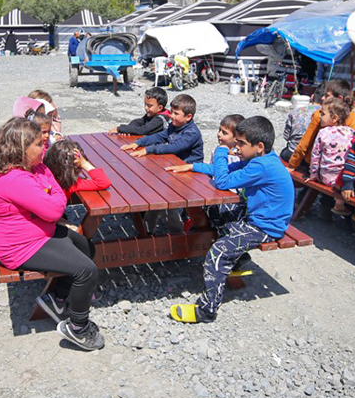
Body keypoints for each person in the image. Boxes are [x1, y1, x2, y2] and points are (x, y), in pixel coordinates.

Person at [0, 118, 104, 351]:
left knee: (87, 248)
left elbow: (51, 184)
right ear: (21, 149)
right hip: (20, 246)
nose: (44, 147)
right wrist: (54, 196)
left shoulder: (34, 166)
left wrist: (52, 193)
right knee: (86, 271)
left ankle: (57, 299)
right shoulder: (15, 179)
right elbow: (56, 209)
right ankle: (78, 328)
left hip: (38, 232)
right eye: (39, 144)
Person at [169, 117, 293, 323]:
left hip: (265, 227)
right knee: (216, 209)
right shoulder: (261, 160)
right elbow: (223, 171)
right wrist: (192, 167)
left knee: (217, 254)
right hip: (255, 218)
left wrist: (221, 150)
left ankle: (207, 311)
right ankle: (240, 257)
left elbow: (222, 181)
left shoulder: (261, 166)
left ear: (259, 146)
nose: (238, 148)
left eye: (241, 144)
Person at [166, 114, 249, 268]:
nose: (218, 134)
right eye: (219, 130)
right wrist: (193, 166)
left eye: (224, 132)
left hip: (234, 201)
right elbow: (214, 169)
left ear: (237, 138)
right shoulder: (220, 151)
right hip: (217, 195)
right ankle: (202, 237)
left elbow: (226, 178)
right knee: (201, 207)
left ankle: (235, 254)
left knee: (218, 215)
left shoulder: (239, 157)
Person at [121, 94, 203, 233]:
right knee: (155, 197)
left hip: (189, 174)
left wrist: (149, 149)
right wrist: (139, 142)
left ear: (188, 117)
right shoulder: (175, 126)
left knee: (171, 208)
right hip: (174, 168)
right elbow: (160, 136)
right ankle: (146, 232)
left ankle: (178, 239)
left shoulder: (191, 133)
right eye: (171, 112)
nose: (171, 116)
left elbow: (175, 147)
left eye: (176, 114)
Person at [287, 79, 355, 171]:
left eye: (327, 96)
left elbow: (304, 144)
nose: (322, 98)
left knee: (285, 154)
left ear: (339, 99)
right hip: (343, 169)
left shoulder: (319, 115)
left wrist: (292, 165)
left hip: (317, 166)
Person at [43, 139, 112, 227]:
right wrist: (84, 163)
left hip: (40, 216)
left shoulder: (42, 174)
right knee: (79, 236)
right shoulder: (71, 183)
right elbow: (103, 182)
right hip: (50, 220)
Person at [308, 99, 355, 188]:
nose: (320, 117)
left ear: (334, 118)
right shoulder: (352, 133)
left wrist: (313, 175)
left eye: (323, 114)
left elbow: (315, 156)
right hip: (345, 175)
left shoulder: (323, 132)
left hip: (326, 175)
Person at [281, 84, 325, 162]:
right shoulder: (326, 116)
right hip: (312, 157)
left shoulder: (296, 111)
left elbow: (286, 136)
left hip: (292, 153)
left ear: (312, 97)